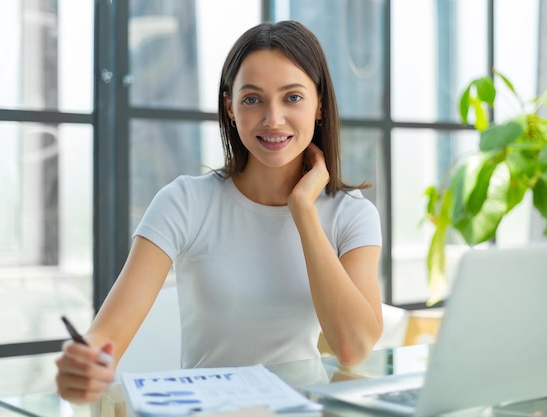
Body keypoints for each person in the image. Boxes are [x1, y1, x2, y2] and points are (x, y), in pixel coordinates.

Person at [55, 20, 383, 404]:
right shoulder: (185, 202)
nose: (272, 118)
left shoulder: (351, 214)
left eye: (292, 97)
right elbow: (105, 338)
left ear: (320, 104)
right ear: (230, 106)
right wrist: (84, 365)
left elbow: (354, 347)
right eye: (252, 98)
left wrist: (303, 211)